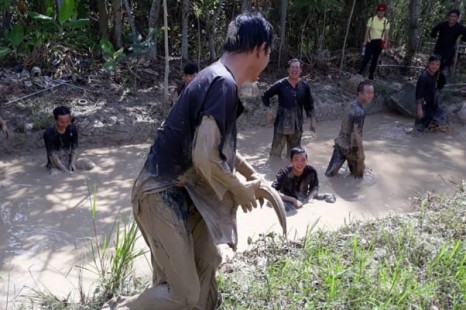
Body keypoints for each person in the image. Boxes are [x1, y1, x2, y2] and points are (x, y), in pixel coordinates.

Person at [105, 12, 275, 310]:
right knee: (185, 294)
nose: (268, 59)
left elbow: (217, 149)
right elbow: (203, 156)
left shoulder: (218, 78)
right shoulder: (222, 83)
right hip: (162, 192)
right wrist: (240, 189)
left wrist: (254, 174)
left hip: (187, 192)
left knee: (206, 272)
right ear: (260, 49)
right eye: (269, 53)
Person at [262, 58, 315, 158]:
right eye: (292, 67)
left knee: (294, 156)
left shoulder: (304, 86)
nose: (294, 70)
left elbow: (309, 104)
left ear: (300, 70)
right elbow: (265, 96)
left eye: (297, 67)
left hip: (297, 127)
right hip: (281, 126)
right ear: (288, 69)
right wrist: (269, 111)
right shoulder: (280, 84)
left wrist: (312, 120)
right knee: (274, 156)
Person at [325, 81, 374, 178]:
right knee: (358, 177)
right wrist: (362, 153)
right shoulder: (360, 111)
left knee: (330, 174)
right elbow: (357, 133)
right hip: (352, 148)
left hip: (340, 143)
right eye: (368, 92)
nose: (371, 95)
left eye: (372, 92)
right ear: (360, 93)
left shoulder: (351, 105)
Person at [272, 147, 335, 212]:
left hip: (304, 197)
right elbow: (272, 191)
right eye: (296, 160)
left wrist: (310, 199)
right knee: (286, 209)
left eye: (303, 160)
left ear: (307, 160)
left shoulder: (311, 170)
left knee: (331, 198)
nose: (300, 163)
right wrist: (293, 200)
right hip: (286, 199)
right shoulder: (284, 172)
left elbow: (315, 187)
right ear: (291, 161)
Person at [43, 106, 94, 173]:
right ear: (55, 120)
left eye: (68, 121)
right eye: (62, 122)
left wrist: (72, 163)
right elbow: (53, 155)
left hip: (71, 159)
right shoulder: (48, 133)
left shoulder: (72, 128)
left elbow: (74, 148)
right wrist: (65, 171)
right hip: (56, 164)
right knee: (55, 175)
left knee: (90, 165)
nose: (65, 124)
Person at [414, 55, 448, 133]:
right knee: (419, 129)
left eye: (437, 64)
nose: (435, 66)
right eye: (433, 64)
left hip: (431, 105)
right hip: (424, 106)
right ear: (428, 64)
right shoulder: (424, 77)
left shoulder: (434, 75)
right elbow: (419, 94)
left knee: (442, 115)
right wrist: (419, 109)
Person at [358, 3, 390, 80]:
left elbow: (386, 33)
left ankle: (371, 75)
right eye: (379, 10)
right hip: (370, 41)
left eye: (382, 11)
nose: (381, 12)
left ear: (384, 12)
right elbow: (367, 31)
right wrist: (365, 41)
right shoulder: (371, 19)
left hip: (379, 42)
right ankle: (360, 73)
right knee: (366, 58)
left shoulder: (386, 21)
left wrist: (385, 43)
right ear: (377, 11)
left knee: (375, 60)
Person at [430, 9, 466, 76]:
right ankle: (429, 84)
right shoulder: (442, 24)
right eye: (450, 16)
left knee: (443, 71)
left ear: (457, 18)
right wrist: (434, 35)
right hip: (438, 49)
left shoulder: (460, 27)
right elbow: (433, 31)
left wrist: (462, 38)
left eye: (454, 16)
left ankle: (440, 85)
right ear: (448, 17)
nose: (452, 18)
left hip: (449, 51)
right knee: (433, 68)